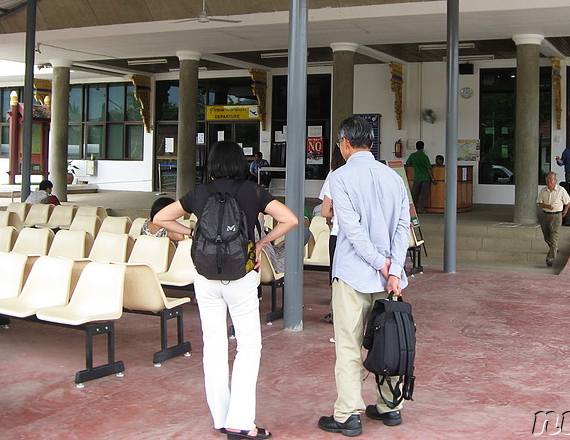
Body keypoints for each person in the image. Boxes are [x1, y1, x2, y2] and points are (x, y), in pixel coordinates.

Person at [153, 141, 298, 440]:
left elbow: (160, 218)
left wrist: (193, 232)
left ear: (212, 164)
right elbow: (290, 219)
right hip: (242, 277)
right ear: (240, 163)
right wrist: (260, 244)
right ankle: (241, 421)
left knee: (214, 345)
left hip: (205, 278)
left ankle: (221, 416)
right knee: (248, 347)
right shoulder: (253, 191)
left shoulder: (199, 192)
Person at [318, 116, 411, 437]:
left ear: (344, 143)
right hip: (389, 281)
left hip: (353, 275)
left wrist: (379, 263)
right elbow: (404, 227)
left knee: (349, 344)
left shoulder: (340, 177)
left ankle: (347, 414)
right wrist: (394, 269)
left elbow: (352, 229)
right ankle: (389, 406)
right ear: (371, 144)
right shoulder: (394, 177)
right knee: (389, 340)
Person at [319, 145, 347, 325]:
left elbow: (324, 211)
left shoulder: (334, 175)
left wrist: (337, 214)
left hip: (337, 233)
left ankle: (335, 312)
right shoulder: (357, 175)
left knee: (336, 274)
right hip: (358, 234)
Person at [536, 172, 570, 268]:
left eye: (551, 179)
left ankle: (550, 257)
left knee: (554, 235)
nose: (549, 181)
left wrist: (564, 212)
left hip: (556, 216)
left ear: (555, 181)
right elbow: (539, 203)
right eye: (547, 179)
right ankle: (554, 248)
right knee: (546, 236)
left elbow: (568, 202)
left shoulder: (561, 190)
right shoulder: (543, 191)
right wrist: (546, 206)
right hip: (545, 215)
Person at [406, 140, 434, 213]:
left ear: (416, 147)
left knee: (414, 194)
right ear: (423, 147)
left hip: (417, 178)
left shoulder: (413, 156)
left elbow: (408, 163)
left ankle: (411, 209)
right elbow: (428, 168)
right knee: (423, 195)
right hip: (425, 178)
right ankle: (420, 209)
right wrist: (432, 178)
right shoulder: (425, 157)